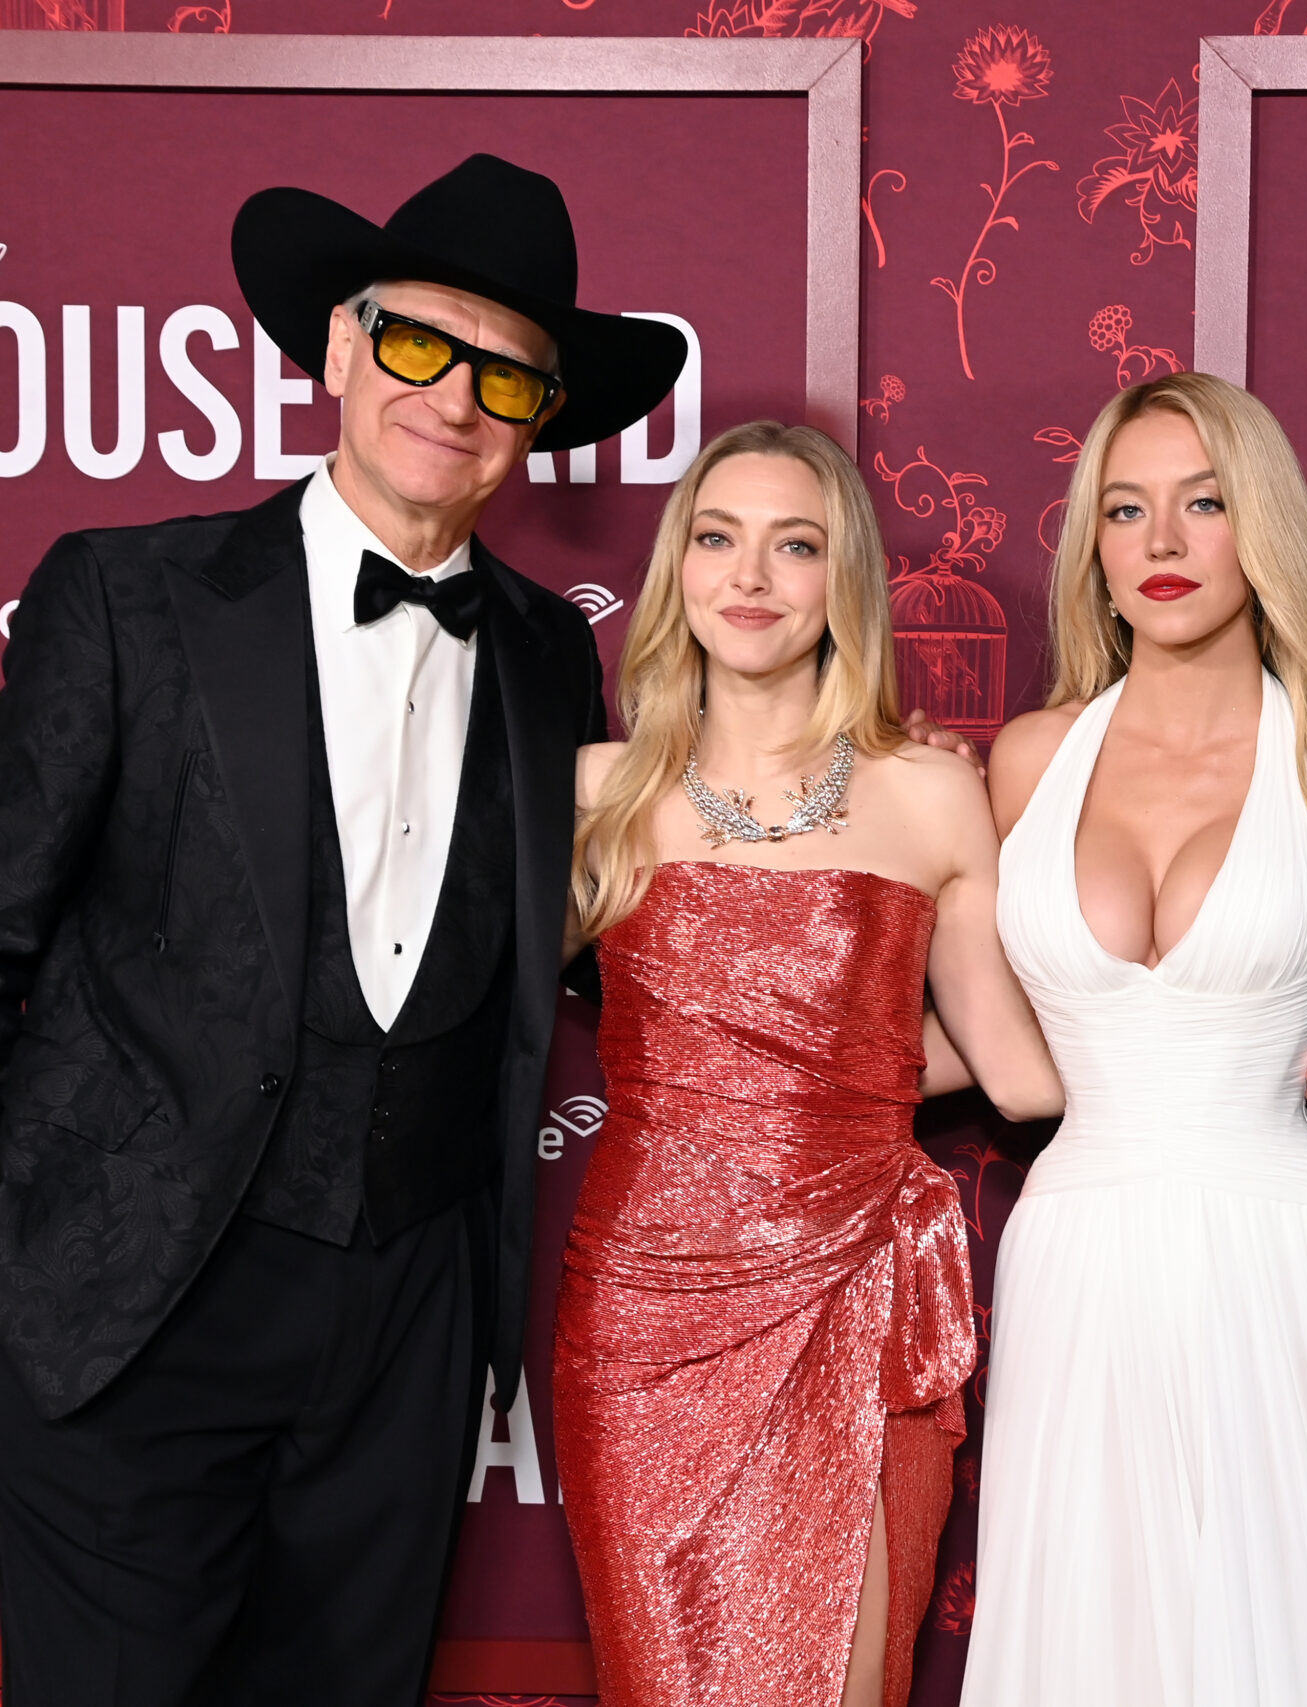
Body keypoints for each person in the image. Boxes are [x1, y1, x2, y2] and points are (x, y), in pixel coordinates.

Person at [0, 155, 686, 1705]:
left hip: (402, 1332)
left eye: (505, 373)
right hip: (132, 1310)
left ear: (539, 422)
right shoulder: (132, 595)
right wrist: (9, 1235)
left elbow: (605, 944)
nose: (452, 397)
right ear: (334, 346)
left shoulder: (543, 657)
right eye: (414, 343)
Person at [959, 373, 1307, 1707]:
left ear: (1264, 529)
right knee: (1099, 1636)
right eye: (1127, 509)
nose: (1164, 542)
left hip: (1288, 1247)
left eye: (1205, 503)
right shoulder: (1029, 757)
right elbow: (972, 1022)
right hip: (1080, 1249)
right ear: (1093, 542)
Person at [553, 421, 1065, 1707]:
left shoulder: (931, 795)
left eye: (797, 546)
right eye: (718, 539)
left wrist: (1233, 1045)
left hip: (848, 1297)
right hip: (642, 1320)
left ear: (846, 583)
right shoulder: (595, 797)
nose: (752, 577)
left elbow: (1019, 1076)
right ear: (677, 569)